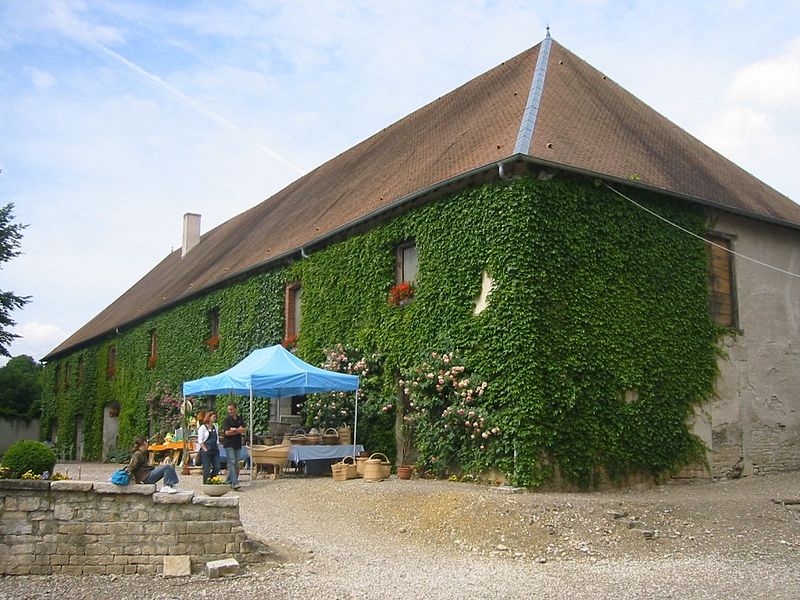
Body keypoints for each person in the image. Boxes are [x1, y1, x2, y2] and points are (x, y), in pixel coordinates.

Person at [221, 402, 247, 490]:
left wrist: (234, 430)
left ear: (235, 409)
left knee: (236, 464)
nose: (230, 411)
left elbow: (244, 430)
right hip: (229, 444)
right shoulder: (227, 420)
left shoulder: (240, 419)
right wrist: (238, 430)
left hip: (237, 444)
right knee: (231, 462)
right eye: (229, 410)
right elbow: (227, 433)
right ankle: (235, 483)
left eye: (231, 409)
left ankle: (228, 481)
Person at [197, 411, 221, 483]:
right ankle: (206, 482)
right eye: (213, 417)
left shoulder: (215, 427)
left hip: (215, 450)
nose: (215, 418)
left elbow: (217, 439)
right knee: (206, 468)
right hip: (206, 450)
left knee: (217, 467)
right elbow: (200, 440)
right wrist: (205, 449)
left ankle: (212, 479)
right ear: (209, 417)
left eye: (215, 417)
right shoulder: (203, 428)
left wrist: (218, 448)